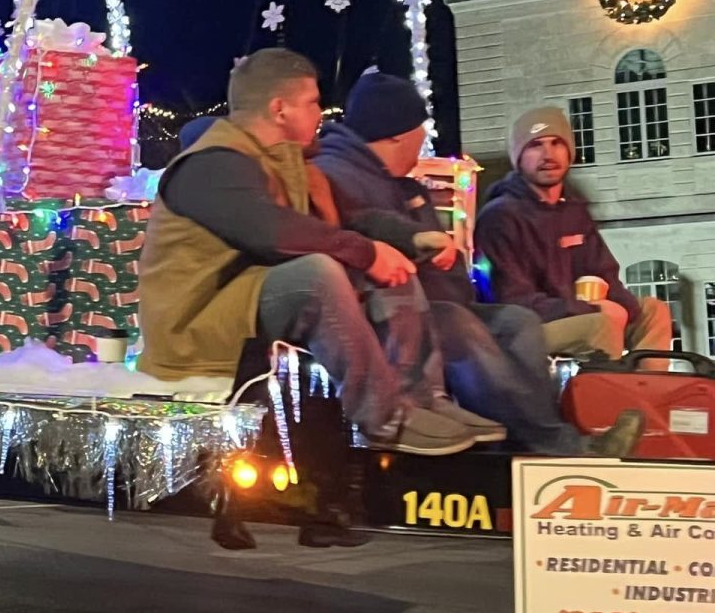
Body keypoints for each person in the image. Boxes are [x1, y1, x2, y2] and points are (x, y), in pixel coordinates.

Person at [139, 48, 492, 455]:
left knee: (392, 268)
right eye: (311, 102)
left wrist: (410, 240)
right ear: (279, 109)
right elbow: (271, 232)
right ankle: (385, 418)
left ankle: (423, 399)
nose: (320, 114)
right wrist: (366, 253)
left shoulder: (288, 162)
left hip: (248, 297)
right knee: (318, 274)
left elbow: (351, 218)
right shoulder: (211, 165)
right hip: (198, 319)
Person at [315, 73, 642, 456]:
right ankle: (562, 445)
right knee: (462, 327)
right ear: (398, 134)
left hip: (441, 299)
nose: (423, 140)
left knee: (516, 322)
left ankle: (525, 437)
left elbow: (447, 266)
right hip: (393, 308)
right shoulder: (338, 175)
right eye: (421, 129)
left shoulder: (405, 186)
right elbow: (361, 233)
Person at [475, 107, 673, 360]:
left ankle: (646, 383)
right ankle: (604, 383)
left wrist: (624, 306)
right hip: (527, 329)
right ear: (519, 157)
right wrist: (587, 309)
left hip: (577, 312)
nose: (548, 154)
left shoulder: (574, 211)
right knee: (601, 324)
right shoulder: (500, 217)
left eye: (557, 143)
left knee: (653, 311)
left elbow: (604, 273)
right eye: (536, 145)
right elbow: (513, 300)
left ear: (569, 152)